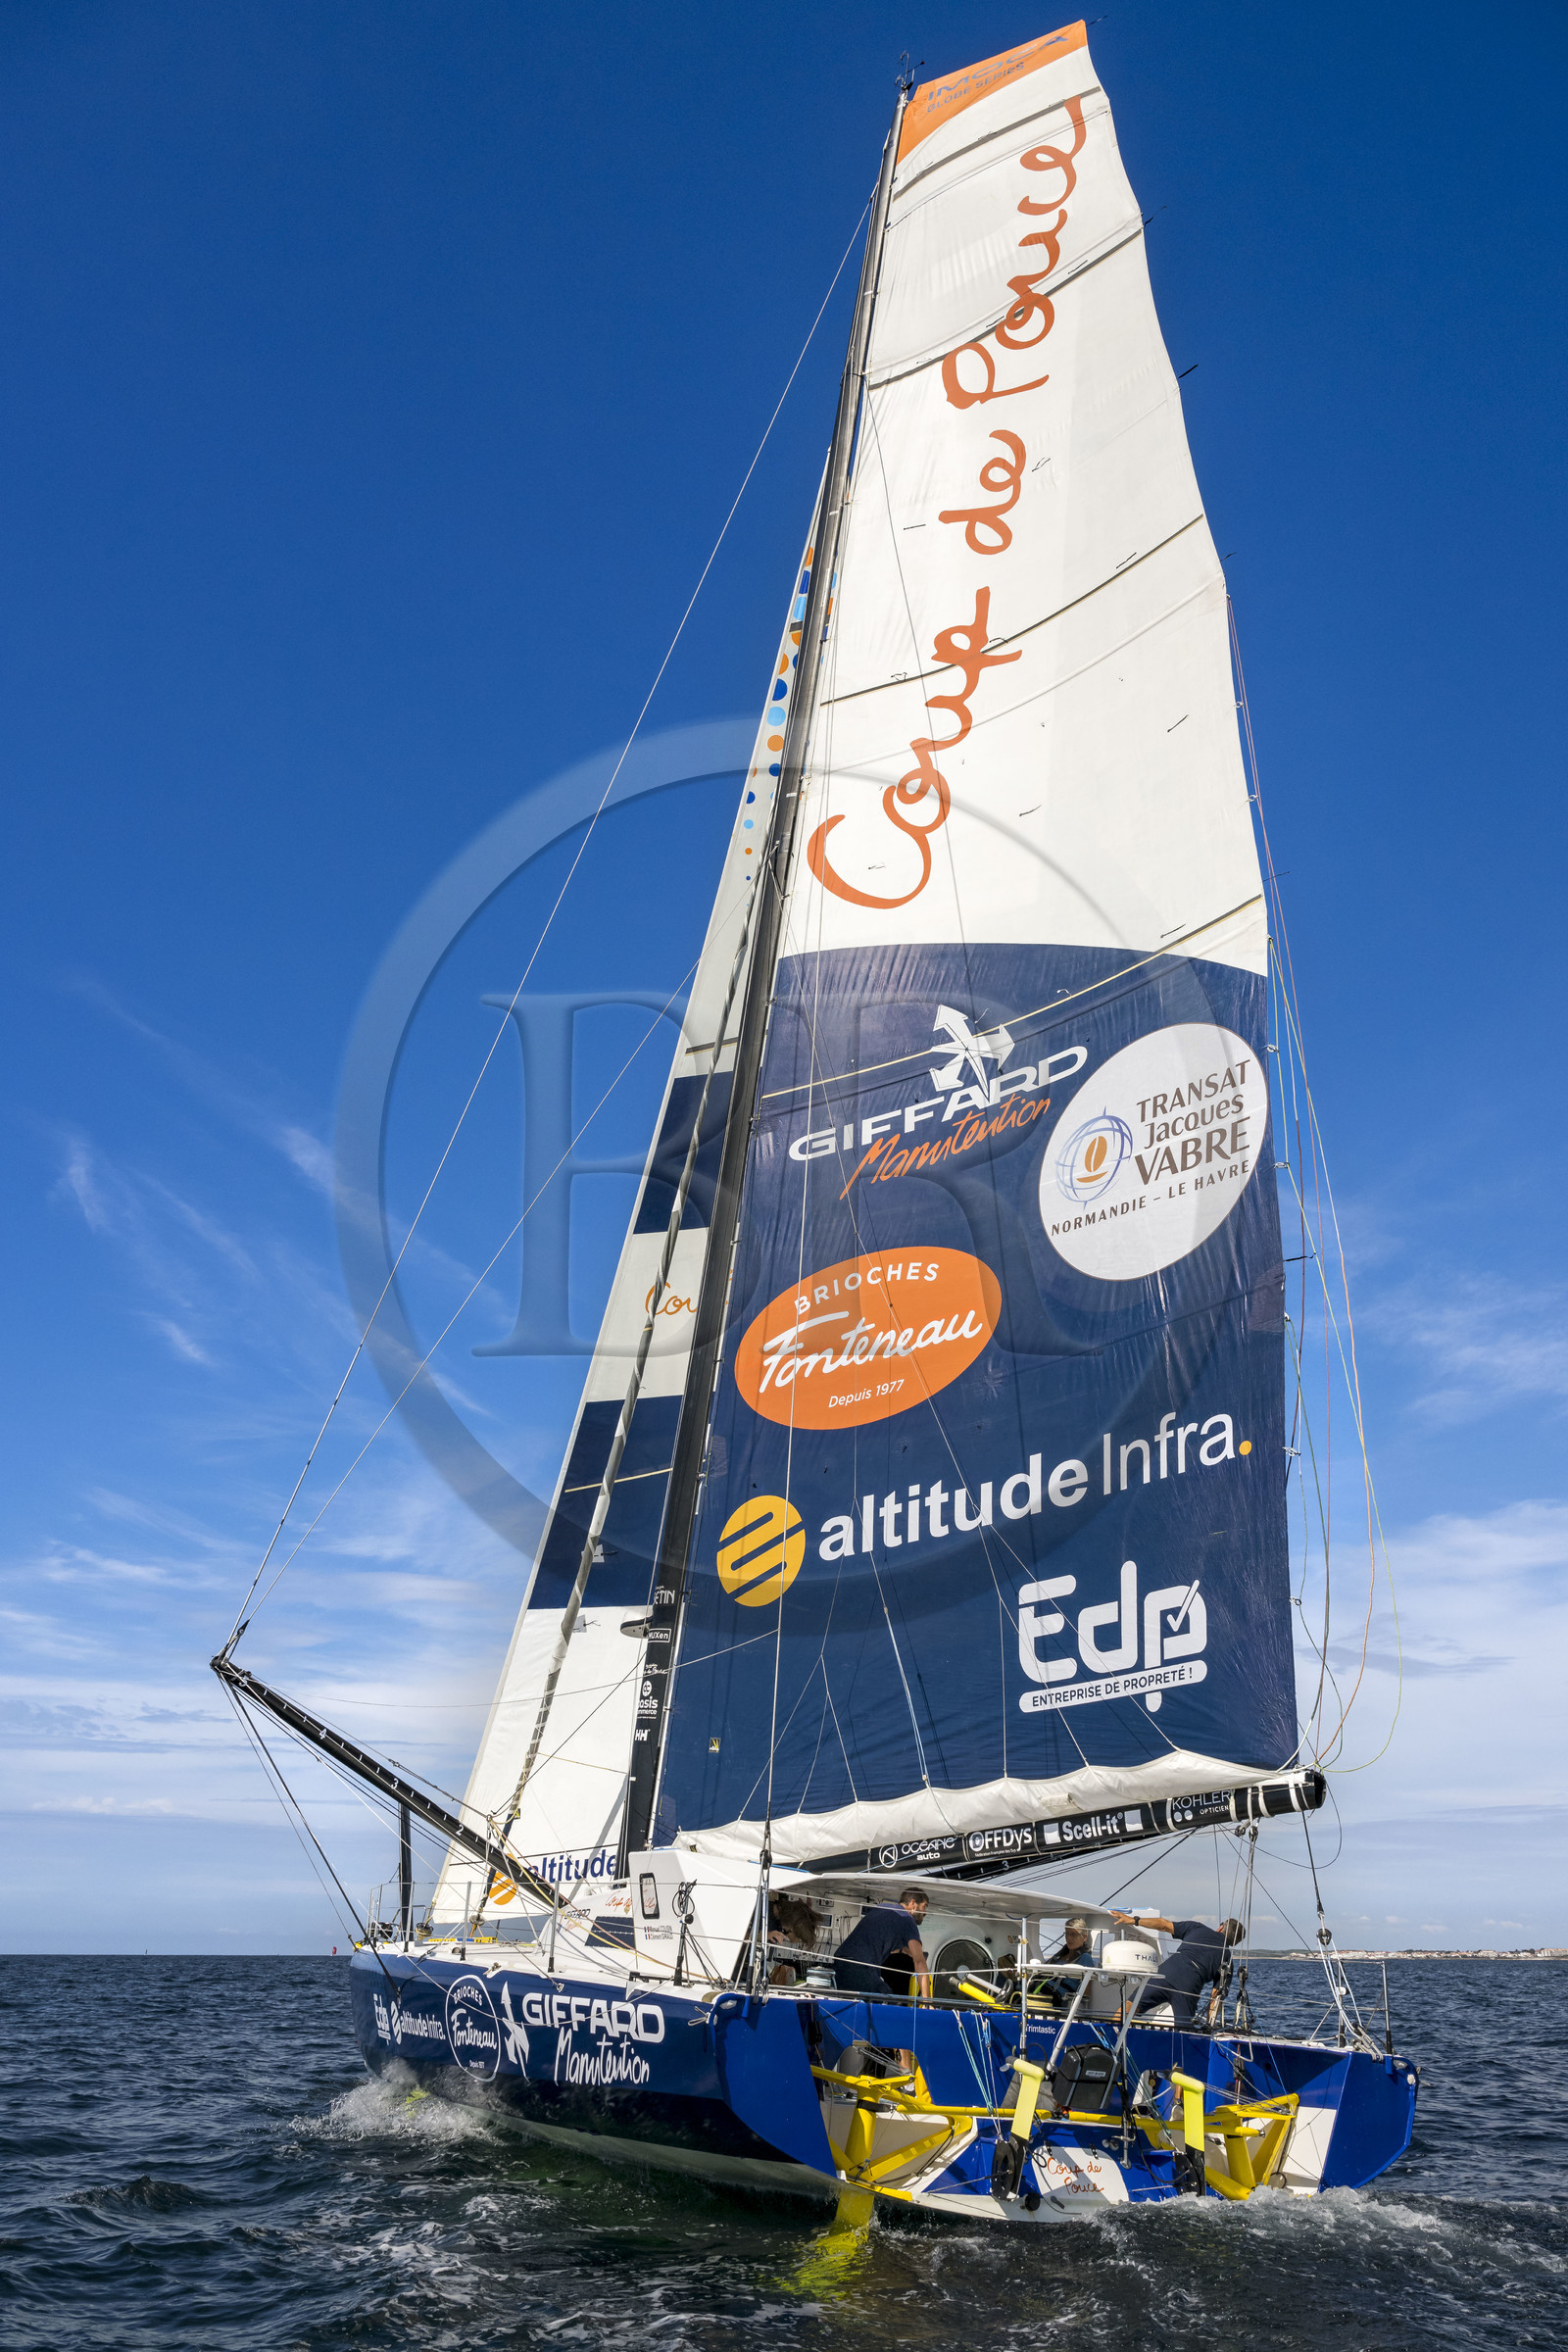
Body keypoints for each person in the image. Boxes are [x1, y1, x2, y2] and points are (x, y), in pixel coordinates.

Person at [1113, 1912, 1244, 2026]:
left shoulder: (1197, 1928)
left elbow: (1164, 1925)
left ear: (1221, 1928)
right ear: (1234, 1943)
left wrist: (1134, 1920)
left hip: (1166, 1974)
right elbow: (1215, 1998)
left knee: (1131, 2005)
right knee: (1184, 2030)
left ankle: (1108, 2033)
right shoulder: (1227, 1960)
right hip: (1188, 1987)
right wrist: (1209, 2025)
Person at [832, 1888, 932, 1999]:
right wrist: (927, 2001)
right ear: (913, 1903)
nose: (925, 1912)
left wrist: (903, 1950)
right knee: (887, 2001)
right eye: (924, 1906)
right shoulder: (907, 1919)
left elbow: (880, 1941)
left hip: (840, 1961)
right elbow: (919, 1962)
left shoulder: (882, 1908)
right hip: (860, 1967)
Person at [767, 1896, 820, 1984]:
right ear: (793, 1928)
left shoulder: (777, 1922)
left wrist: (803, 1913)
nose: (798, 1940)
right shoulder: (763, 1913)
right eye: (799, 1937)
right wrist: (764, 1935)